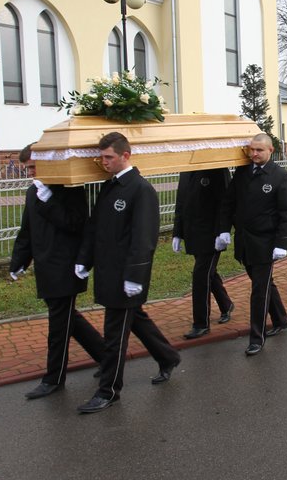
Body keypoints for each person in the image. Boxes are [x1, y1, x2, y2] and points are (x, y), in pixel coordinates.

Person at [74, 132, 181, 414]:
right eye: (102, 156)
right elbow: (95, 227)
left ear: (125, 156)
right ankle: (167, 356)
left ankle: (108, 391)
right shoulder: (109, 187)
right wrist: (84, 260)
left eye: (108, 157)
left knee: (114, 335)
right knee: (135, 320)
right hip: (109, 271)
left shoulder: (141, 189)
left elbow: (144, 237)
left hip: (126, 275)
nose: (103, 162)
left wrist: (135, 275)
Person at [9, 144, 104, 400]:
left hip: (66, 266)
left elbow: (75, 224)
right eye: (27, 169)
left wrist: (49, 202)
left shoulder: (68, 190)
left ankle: (53, 379)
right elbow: (27, 231)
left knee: (59, 325)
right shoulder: (34, 192)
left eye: (32, 167)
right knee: (68, 318)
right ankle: (107, 357)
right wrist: (18, 261)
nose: (30, 173)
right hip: (45, 266)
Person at [217, 133, 287, 356]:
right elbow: (228, 203)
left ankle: (256, 337)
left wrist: (282, 243)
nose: (254, 154)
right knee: (265, 283)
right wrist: (224, 229)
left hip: (266, 242)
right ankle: (281, 318)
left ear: (271, 150)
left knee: (259, 290)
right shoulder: (242, 173)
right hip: (245, 241)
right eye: (252, 149)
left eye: (259, 150)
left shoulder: (281, 176)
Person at [172, 169, 235, 339]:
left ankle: (201, 324)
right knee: (208, 273)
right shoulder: (185, 171)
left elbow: (225, 202)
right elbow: (181, 202)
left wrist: (222, 231)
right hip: (193, 233)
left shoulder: (217, 169)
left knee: (200, 276)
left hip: (212, 235)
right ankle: (226, 304)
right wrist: (177, 232)